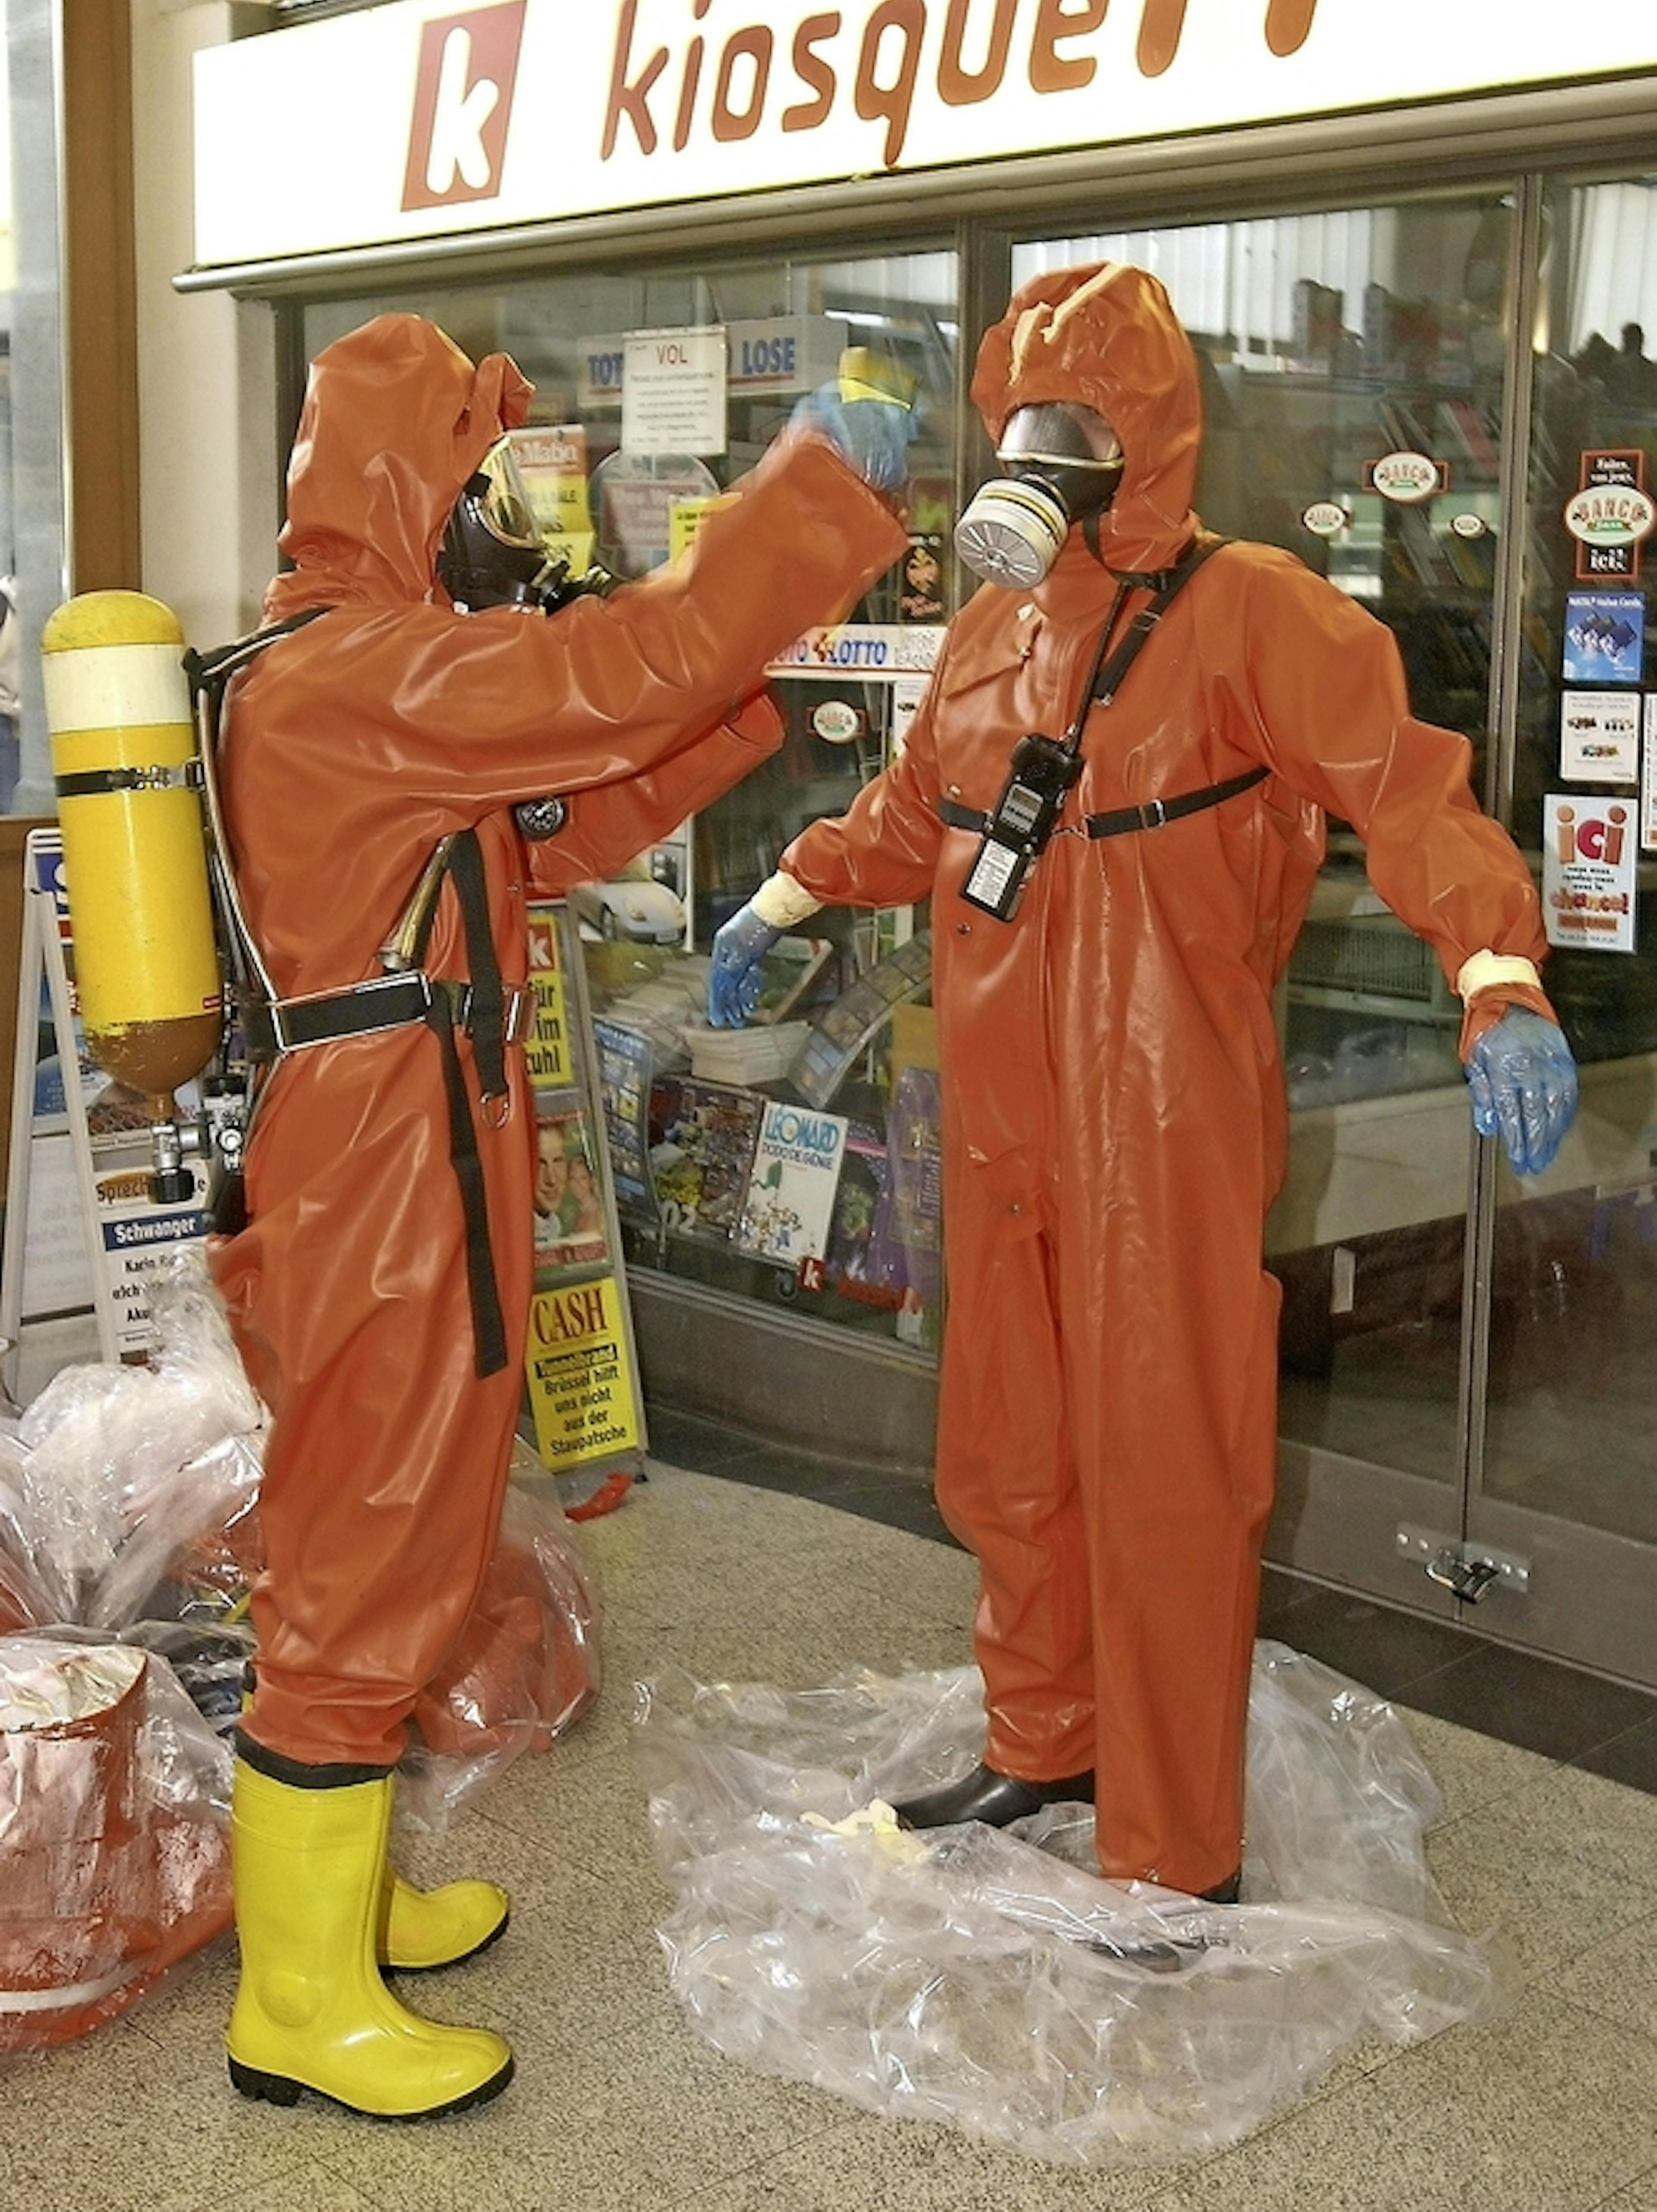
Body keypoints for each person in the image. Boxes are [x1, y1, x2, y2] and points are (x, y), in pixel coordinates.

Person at [710, 262, 1577, 1906]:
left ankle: (1175, 1851)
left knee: (1169, 1472)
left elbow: (1410, 791)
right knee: (1008, 1448)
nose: (1042, 455)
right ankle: (1049, 1737)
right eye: (1023, 422)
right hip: (1004, 1115)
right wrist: (786, 893)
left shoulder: (1255, 613)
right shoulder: (986, 633)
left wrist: (1496, 970)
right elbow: (922, 815)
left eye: (1079, 425)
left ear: (1153, 437)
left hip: (1161, 1121)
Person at [207, 311, 913, 2118]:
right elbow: (621, 665)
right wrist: (812, 499)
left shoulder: (367, 681)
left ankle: (346, 1900)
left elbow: (550, 831)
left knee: (378, 1519)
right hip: (383, 1153)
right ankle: (297, 1998)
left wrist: (731, 711)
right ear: (402, 491)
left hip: (401, 1135)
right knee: (369, 1543)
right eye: (480, 482)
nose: (509, 523)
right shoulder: (351, 673)